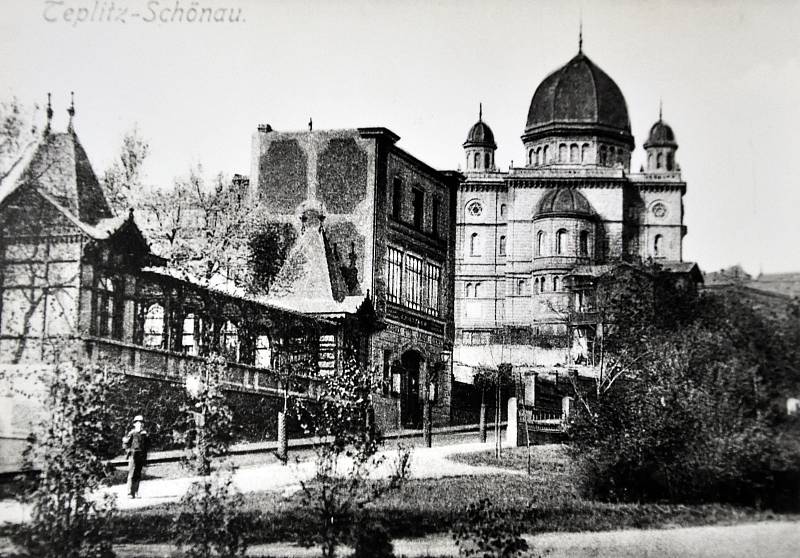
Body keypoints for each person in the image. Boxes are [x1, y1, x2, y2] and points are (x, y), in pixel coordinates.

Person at [122, 415, 149, 498]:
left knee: (138, 474)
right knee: (132, 474)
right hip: (133, 455)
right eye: (138, 422)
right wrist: (128, 451)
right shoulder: (132, 433)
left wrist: (145, 456)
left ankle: (136, 492)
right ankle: (129, 492)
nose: (140, 424)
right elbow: (125, 443)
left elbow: (147, 445)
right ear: (134, 424)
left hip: (141, 455)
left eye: (141, 423)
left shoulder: (145, 434)